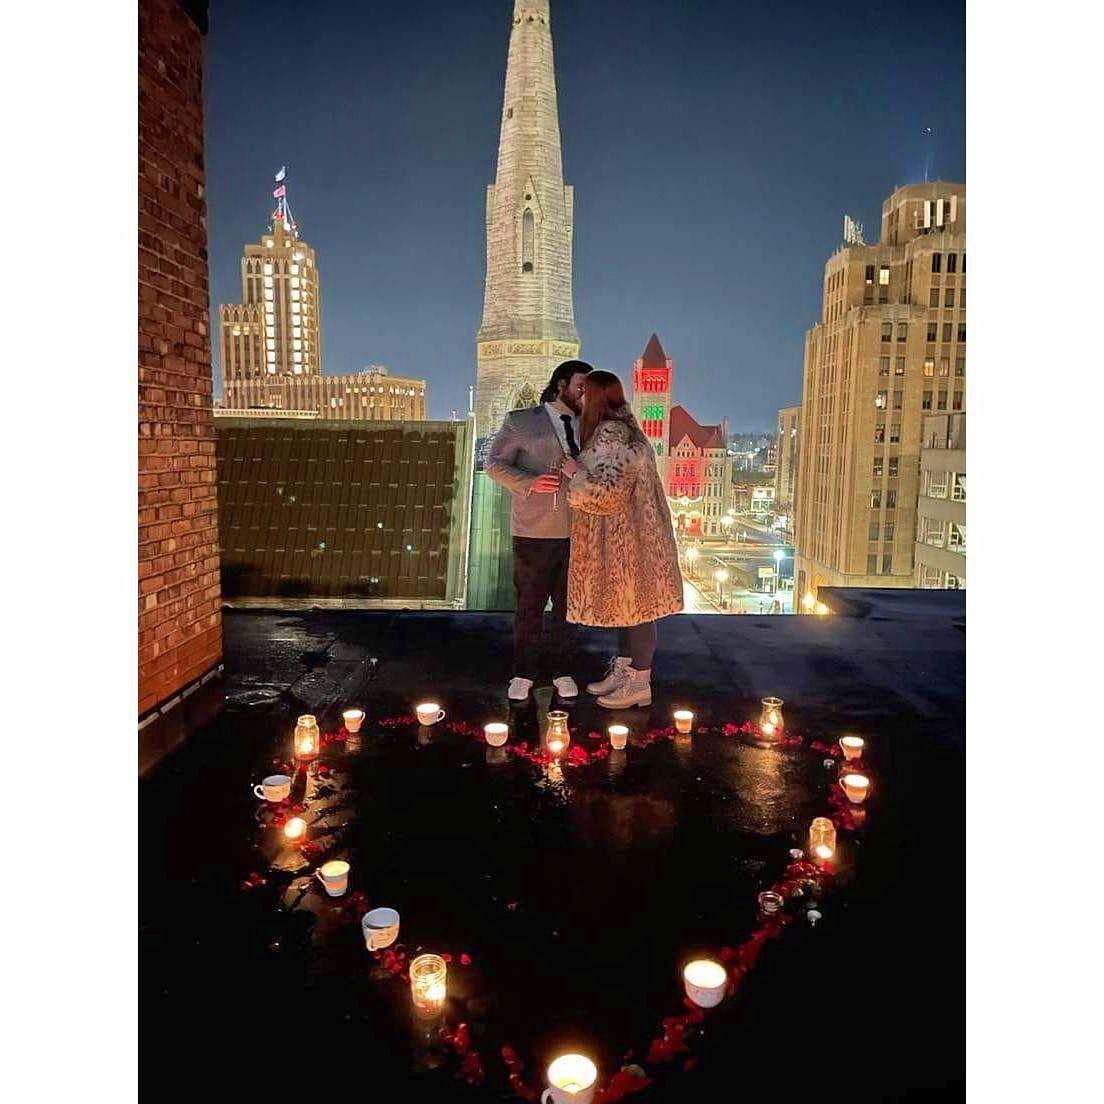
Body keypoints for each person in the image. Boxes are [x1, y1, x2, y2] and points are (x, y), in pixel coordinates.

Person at [560, 370, 683, 708]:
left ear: (597, 397)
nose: (580, 397)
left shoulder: (612, 434)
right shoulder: (626, 429)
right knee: (629, 608)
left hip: (625, 539)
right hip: (636, 535)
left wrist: (575, 473)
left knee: (638, 609)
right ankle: (627, 670)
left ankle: (640, 683)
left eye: (585, 392)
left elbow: (606, 493)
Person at [485, 360, 593, 702]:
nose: (585, 393)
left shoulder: (591, 425)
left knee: (568, 610)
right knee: (529, 607)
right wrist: (529, 482)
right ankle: (523, 673)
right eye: (580, 385)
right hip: (533, 533)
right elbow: (493, 465)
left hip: (579, 533)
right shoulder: (521, 421)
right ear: (561, 384)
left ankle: (563, 671)